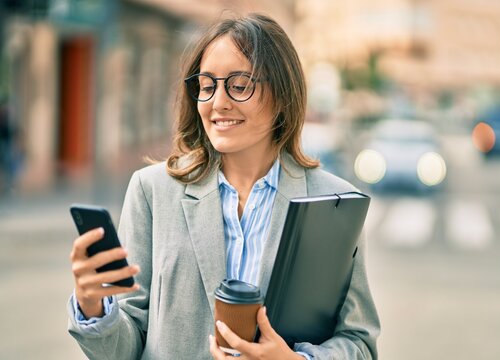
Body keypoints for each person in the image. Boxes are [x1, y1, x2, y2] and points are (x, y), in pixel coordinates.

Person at [67, 13, 380, 359]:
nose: (218, 102)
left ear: (282, 94)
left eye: (239, 85)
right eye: (206, 85)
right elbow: (124, 349)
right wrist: (93, 306)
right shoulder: (152, 191)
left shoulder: (334, 203)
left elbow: (359, 342)